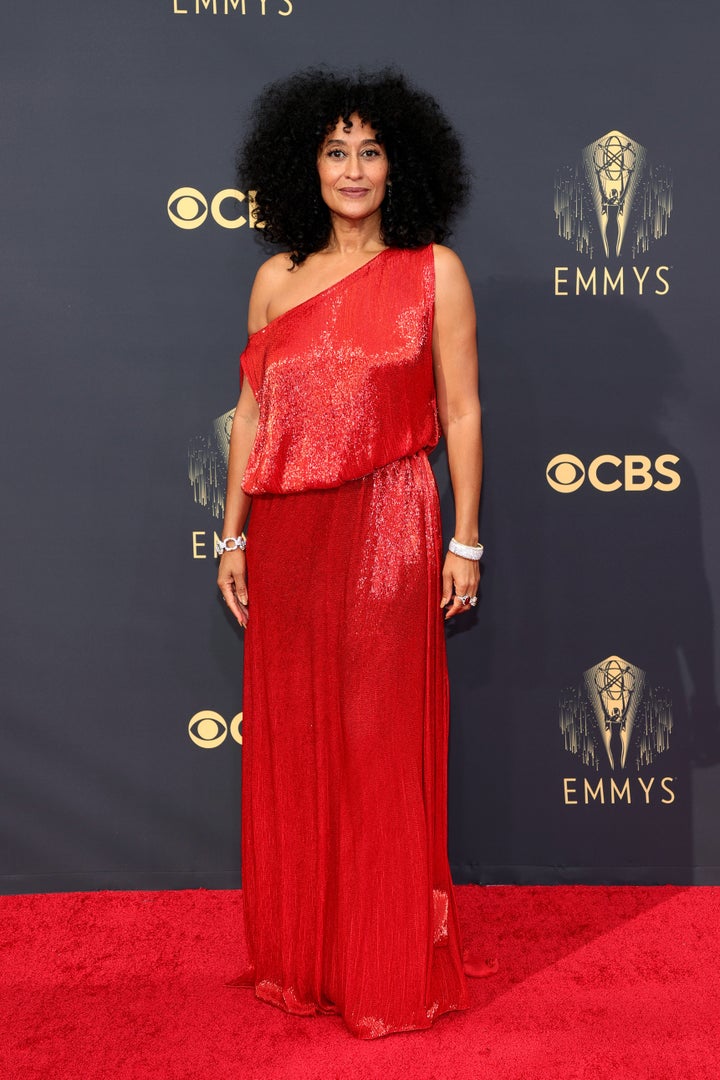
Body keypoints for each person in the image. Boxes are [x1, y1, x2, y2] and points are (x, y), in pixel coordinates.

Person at [216, 67, 489, 1040]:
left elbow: (459, 407)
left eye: (371, 150)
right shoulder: (276, 279)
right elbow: (256, 410)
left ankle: (383, 969)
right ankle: (308, 963)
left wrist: (464, 535)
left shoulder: (433, 272)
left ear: (400, 164)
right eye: (336, 151)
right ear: (306, 165)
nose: (354, 168)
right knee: (299, 744)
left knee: (376, 748)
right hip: (288, 535)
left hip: (391, 528)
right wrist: (233, 530)